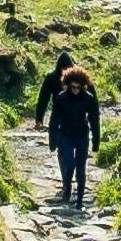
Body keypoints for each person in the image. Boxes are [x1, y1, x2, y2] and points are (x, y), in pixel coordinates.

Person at [40, 58, 105, 215]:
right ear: (68, 84)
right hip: (66, 135)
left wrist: (96, 142)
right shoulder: (61, 98)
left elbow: (94, 120)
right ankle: (67, 188)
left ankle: (79, 202)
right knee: (69, 165)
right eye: (73, 86)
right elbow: (54, 120)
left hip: (82, 135)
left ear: (83, 85)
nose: (75, 89)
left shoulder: (88, 98)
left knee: (81, 168)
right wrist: (52, 141)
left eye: (78, 87)